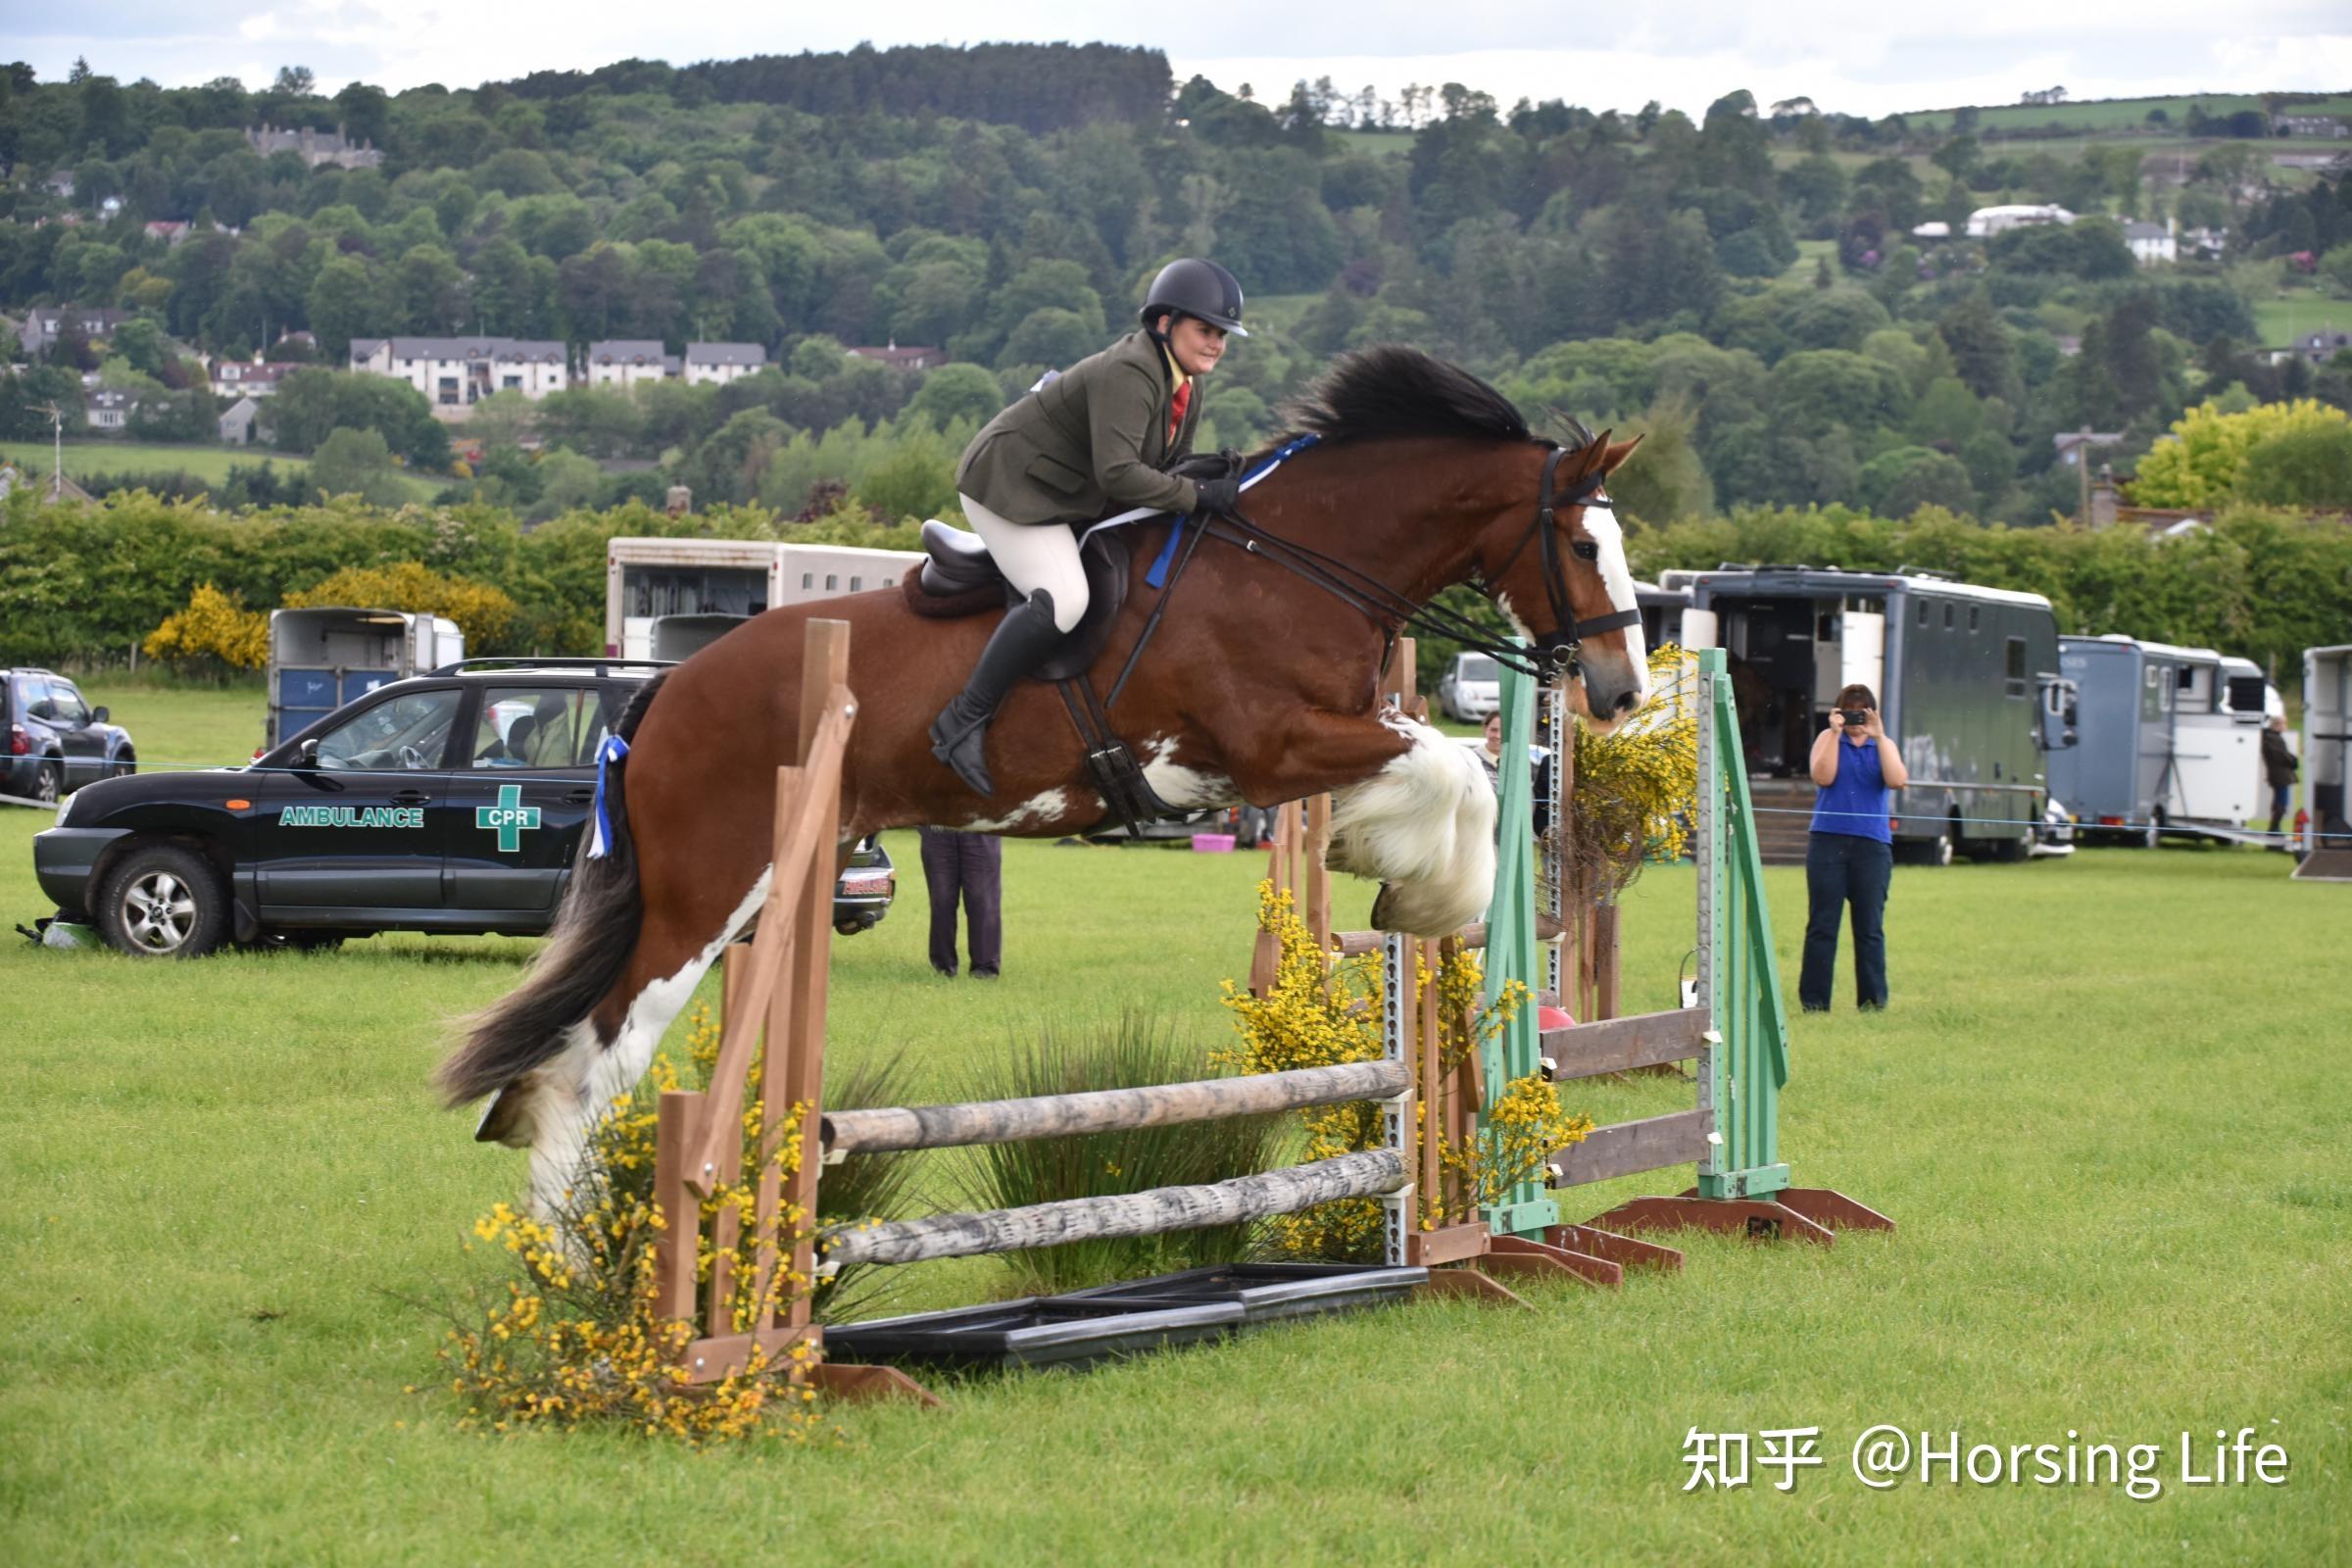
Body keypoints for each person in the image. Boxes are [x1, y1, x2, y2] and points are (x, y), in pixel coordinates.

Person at [929, 258, 1250, 797]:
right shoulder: (1132, 371)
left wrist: (1211, 474)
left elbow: (1168, 467)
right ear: (1166, 324)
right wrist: (1195, 496)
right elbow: (1120, 473)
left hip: (1067, 491)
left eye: (1222, 334)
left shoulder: (1185, 384)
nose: (1216, 342)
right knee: (1065, 598)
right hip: (1009, 483)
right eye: (1205, 329)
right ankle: (962, 720)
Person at [1799, 683, 1909, 1012]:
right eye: (1851, 711)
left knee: (1870, 928)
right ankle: (1815, 1003)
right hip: (1828, 842)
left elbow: (1897, 780)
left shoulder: (1883, 745)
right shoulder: (1827, 739)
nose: (1856, 719)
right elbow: (1823, 777)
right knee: (1822, 925)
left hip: (1872, 845)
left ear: (1873, 712)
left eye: (1862, 712)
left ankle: (1873, 1002)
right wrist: (1834, 734)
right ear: (1838, 712)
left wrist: (1879, 736)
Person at [916, 825, 1003, 978]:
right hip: (937, 827)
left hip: (980, 824)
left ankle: (985, 969)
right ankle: (942, 968)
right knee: (941, 901)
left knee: (982, 900)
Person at [2262, 713, 2298, 849]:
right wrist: (2294, 760)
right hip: (2280, 776)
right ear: (2277, 725)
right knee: (2281, 803)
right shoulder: (2273, 739)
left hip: (2279, 775)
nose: (2285, 726)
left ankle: (2275, 828)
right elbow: (2283, 757)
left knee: (2280, 802)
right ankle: (2274, 829)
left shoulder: (2272, 738)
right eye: (2283, 723)